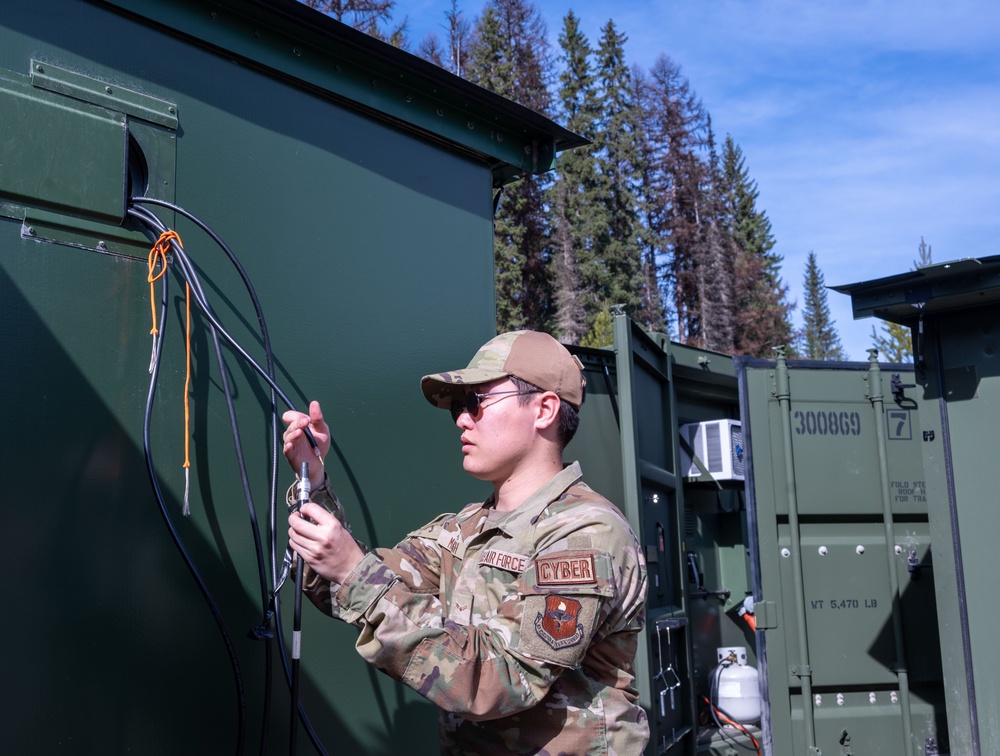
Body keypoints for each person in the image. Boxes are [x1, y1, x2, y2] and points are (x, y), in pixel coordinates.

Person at [282, 330, 649, 754]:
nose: (461, 419)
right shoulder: (463, 528)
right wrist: (314, 481)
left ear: (545, 409)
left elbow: (507, 681)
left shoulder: (584, 533)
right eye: (459, 407)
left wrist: (353, 571)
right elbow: (343, 587)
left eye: (476, 402)